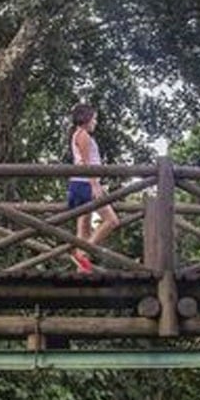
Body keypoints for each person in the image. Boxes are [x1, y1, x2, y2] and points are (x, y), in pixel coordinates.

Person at [66, 103, 119, 273]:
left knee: (84, 227)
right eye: (94, 118)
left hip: (79, 182)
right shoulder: (83, 136)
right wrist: (95, 185)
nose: (95, 122)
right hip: (85, 183)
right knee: (111, 220)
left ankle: (82, 269)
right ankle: (81, 253)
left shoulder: (79, 134)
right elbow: (88, 164)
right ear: (86, 119)